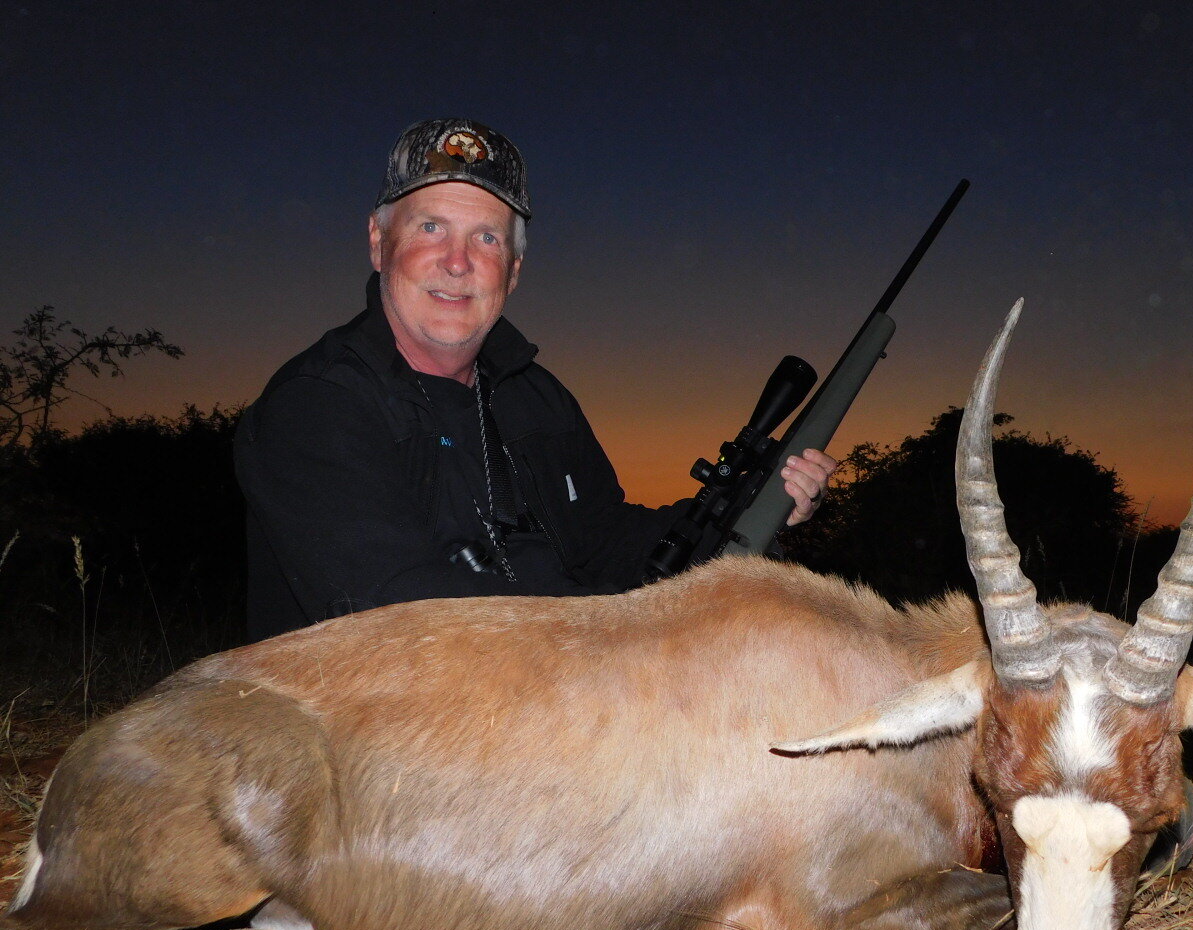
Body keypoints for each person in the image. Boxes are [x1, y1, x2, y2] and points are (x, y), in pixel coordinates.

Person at [235, 118, 835, 641]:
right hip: (394, 737)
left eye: (487, 238)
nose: (457, 261)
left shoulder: (536, 398)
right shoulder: (315, 407)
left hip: (565, 691)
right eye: (430, 228)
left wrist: (747, 508)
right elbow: (398, 621)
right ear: (378, 242)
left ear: (513, 271)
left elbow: (604, 541)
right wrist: (615, 642)